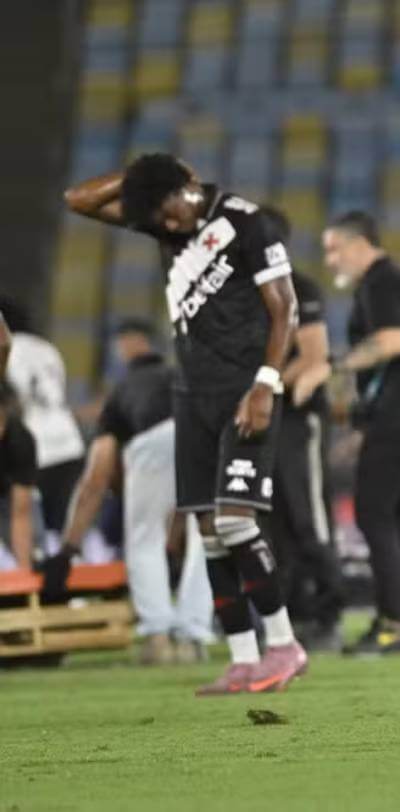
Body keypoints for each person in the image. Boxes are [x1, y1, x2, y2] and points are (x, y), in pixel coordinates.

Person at [64, 153, 307, 695]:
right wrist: (142, 177)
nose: (169, 228)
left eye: (171, 212)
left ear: (189, 184)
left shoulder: (246, 220)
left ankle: (284, 644)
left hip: (247, 390)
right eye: (159, 221)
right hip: (190, 395)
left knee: (238, 521)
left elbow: (285, 307)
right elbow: (77, 200)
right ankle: (244, 657)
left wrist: (267, 381)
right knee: (207, 529)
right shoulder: (159, 215)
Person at [308, 211, 400, 654]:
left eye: (335, 248)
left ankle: (391, 622)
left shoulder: (382, 282)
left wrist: (332, 367)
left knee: (375, 514)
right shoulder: (393, 281)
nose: (330, 260)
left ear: (360, 243)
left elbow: (390, 343)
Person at [52, 318, 213, 664]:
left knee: (144, 537)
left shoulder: (124, 391)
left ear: (125, 346)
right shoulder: (181, 377)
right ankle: (194, 636)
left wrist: (69, 546)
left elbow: (96, 477)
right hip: (205, 432)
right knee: (208, 537)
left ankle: (157, 636)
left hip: (152, 439)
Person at [257, 206, 344, 653]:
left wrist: (261, 386)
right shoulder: (246, 291)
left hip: (296, 415)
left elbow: (313, 359)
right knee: (275, 526)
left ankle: (330, 615)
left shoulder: (300, 288)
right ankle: (290, 622)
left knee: (309, 520)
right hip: (265, 417)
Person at [0, 297, 86, 538]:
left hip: (36, 445)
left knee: (27, 522)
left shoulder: (8, 350)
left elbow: (11, 399)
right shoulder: (47, 349)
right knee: (61, 526)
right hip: (70, 442)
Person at [1, 312, 40, 572]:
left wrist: (24, 574)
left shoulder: (21, 441)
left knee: (28, 552)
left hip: (4, 497)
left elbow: (21, 514)